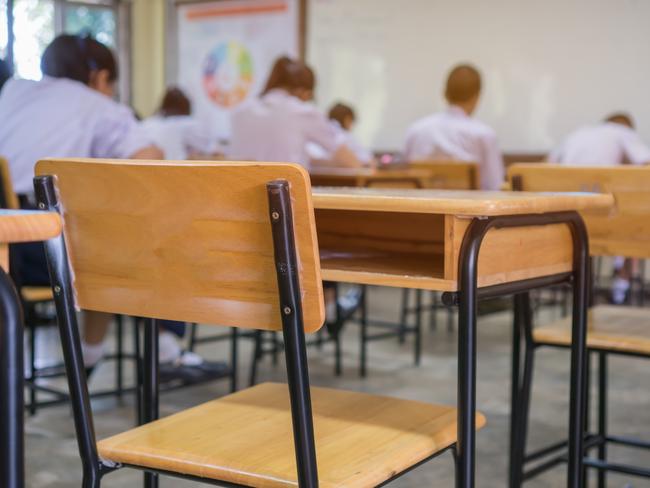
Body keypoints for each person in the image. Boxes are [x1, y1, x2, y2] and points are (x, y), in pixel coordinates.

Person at [0, 35, 224, 381]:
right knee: (145, 240)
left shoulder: (12, 93)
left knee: (101, 236)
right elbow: (150, 160)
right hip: (44, 253)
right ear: (100, 77)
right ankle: (164, 352)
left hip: (6, 252)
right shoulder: (100, 107)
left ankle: (92, 356)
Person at [549, 113, 650, 304]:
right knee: (634, 219)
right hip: (600, 222)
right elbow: (646, 166)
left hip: (565, 222)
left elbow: (545, 166)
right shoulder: (623, 132)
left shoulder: (578, 133)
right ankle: (621, 285)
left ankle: (586, 285)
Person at [228, 57, 364, 169]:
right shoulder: (301, 112)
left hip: (239, 198)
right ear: (304, 92)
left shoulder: (241, 111)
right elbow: (348, 159)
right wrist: (361, 166)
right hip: (283, 198)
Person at [403, 64, 504, 190]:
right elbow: (495, 187)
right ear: (477, 96)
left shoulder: (415, 131)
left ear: (445, 93)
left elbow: (405, 178)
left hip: (423, 208)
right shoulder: (484, 135)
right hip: (469, 208)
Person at [141, 87, 221, 160]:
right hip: (175, 170)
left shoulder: (147, 123)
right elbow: (214, 151)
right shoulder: (186, 123)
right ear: (186, 106)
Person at [548, 113, 650, 166]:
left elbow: (547, 163)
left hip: (564, 190)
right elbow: (646, 162)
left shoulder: (579, 131)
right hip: (600, 187)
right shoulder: (622, 130)